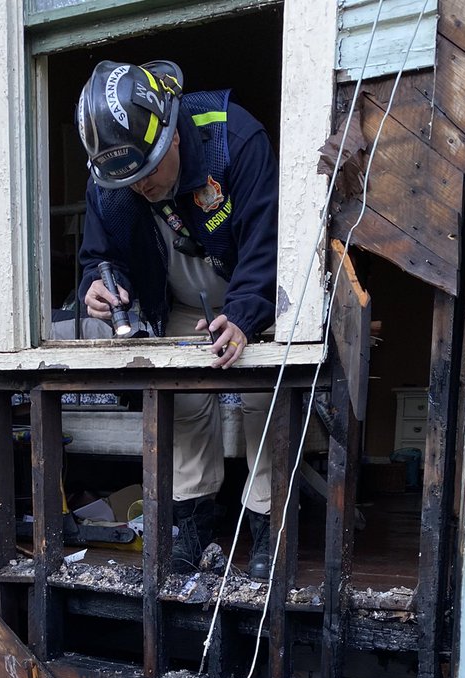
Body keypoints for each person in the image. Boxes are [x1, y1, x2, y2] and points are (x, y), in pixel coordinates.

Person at [75, 59, 278, 579]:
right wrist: (98, 286)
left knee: (260, 395)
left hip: (249, 286)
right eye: (128, 181)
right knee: (185, 400)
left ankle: (265, 532)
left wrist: (246, 313)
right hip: (182, 302)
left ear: (172, 136)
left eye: (149, 173)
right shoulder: (110, 179)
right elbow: (99, 256)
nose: (139, 188)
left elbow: (268, 238)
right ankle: (194, 531)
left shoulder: (235, 137)